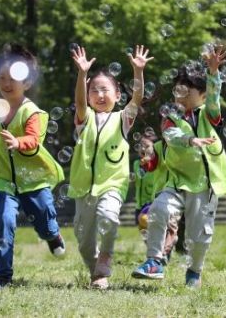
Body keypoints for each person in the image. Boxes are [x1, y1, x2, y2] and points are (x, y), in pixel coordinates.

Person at [132, 46, 226, 288]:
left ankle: (194, 271)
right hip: (177, 180)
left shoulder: (208, 113)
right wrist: (191, 140)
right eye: (176, 90)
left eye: (185, 90)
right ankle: (154, 261)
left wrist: (213, 72)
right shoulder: (171, 118)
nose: (179, 95)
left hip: (203, 183)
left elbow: (214, 95)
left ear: (201, 94)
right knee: (158, 209)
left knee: (199, 237)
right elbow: (171, 135)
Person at [69, 44, 152, 289]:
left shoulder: (122, 119)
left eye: (106, 90)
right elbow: (80, 102)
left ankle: (105, 255)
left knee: (108, 216)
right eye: (94, 90)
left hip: (112, 183)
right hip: (83, 185)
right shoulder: (83, 119)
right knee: (83, 241)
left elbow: (137, 98)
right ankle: (97, 272)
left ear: (117, 95)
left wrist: (138, 72)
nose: (100, 95)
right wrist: (82, 74)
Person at [0, 44, 65, 290]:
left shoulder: (35, 113)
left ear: (28, 82)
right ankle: (3, 277)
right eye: (2, 77)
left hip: (33, 180)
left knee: (44, 219)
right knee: (4, 219)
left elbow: (34, 140)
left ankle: (52, 235)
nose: (6, 83)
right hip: (5, 180)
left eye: (13, 78)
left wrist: (18, 141)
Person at [134, 131, 181, 264]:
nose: (143, 148)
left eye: (146, 145)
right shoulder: (137, 164)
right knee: (147, 227)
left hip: (170, 196)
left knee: (169, 226)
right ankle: (159, 251)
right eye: (141, 145)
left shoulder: (168, 152)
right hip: (147, 201)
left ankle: (163, 254)